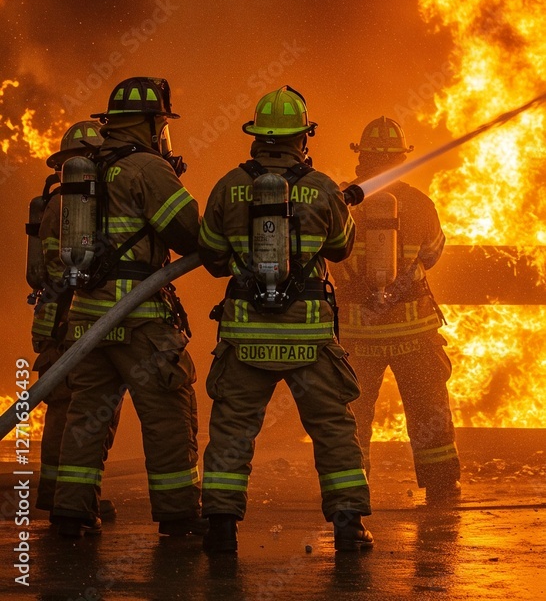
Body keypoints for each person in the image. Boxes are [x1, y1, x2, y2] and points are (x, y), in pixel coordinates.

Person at [198, 86, 372, 553]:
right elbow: (342, 248)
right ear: (303, 137)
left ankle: (220, 529)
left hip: (245, 338)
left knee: (232, 431)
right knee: (332, 429)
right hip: (308, 337)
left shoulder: (228, 186)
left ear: (257, 136)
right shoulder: (323, 187)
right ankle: (349, 526)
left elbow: (211, 256)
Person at [52, 77, 201, 537]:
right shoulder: (147, 168)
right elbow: (188, 233)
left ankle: (71, 514)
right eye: (161, 124)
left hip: (87, 319)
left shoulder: (87, 168)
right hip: (140, 321)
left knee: (86, 418)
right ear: (150, 123)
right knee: (167, 414)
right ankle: (178, 515)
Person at [333, 116, 461, 505]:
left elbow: (326, 254)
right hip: (413, 333)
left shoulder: (339, 204)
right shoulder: (420, 204)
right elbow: (432, 255)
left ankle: (351, 489)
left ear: (362, 158)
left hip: (358, 334)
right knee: (428, 410)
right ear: (402, 159)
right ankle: (441, 486)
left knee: (353, 415)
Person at [30, 121, 119, 523]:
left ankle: (64, 497)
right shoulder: (71, 205)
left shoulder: (60, 201)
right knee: (79, 412)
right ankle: (69, 502)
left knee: (68, 409)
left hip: (56, 321)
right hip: (68, 323)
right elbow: (66, 271)